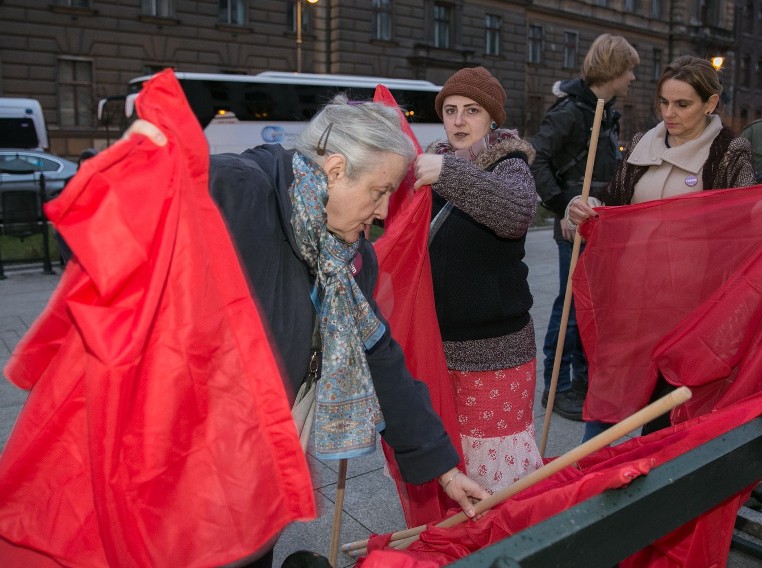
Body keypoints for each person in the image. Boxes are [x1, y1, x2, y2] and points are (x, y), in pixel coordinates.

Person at [125, 94, 490, 567]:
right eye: (379, 191)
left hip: (258, 482)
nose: (382, 213)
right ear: (335, 170)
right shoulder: (241, 191)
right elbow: (123, 230)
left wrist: (442, 468)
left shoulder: (347, 259)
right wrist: (135, 177)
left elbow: (379, 356)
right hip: (182, 470)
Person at [567, 55, 762, 442]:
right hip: (632, 296)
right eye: (664, 102)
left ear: (710, 104)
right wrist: (584, 209)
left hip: (690, 302)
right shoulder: (639, 146)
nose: (669, 113)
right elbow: (612, 204)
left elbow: (749, 215)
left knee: (667, 403)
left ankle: (653, 480)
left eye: (682, 104)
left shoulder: (729, 152)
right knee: (613, 389)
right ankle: (585, 481)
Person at [412, 66, 543, 492]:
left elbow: (515, 213)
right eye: (450, 110)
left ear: (492, 119)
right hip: (437, 345)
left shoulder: (510, 164)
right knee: (449, 464)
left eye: (471, 110)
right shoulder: (431, 163)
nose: (459, 121)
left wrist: (446, 175)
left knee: (495, 475)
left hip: (496, 350)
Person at [529, 34, 639, 421]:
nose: (632, 78)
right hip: (576, 225)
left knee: (589, 305)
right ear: (613, 69)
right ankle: (556, 389)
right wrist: (563, 205)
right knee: (572, 306)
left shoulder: (605, 110)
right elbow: (537, 160)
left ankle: (580, 383)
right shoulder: (571, 111)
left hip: (599, 223)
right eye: (629, 70)